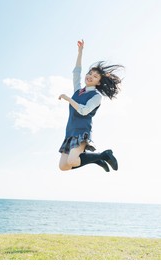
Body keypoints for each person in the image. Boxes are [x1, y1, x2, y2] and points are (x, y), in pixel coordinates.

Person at [58, 39, 124, 172]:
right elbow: (76, 72)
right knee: (63, 166)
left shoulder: (96, 96)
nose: (90, 76)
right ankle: (97, 159)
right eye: (89, 74)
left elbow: (83, 111)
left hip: (81, 132)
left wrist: (68, 99)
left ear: (99, 82)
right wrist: (80, 52)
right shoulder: (78, 90)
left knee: (72, 160)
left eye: (95, 76)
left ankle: (103, 155)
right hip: (70, 131)